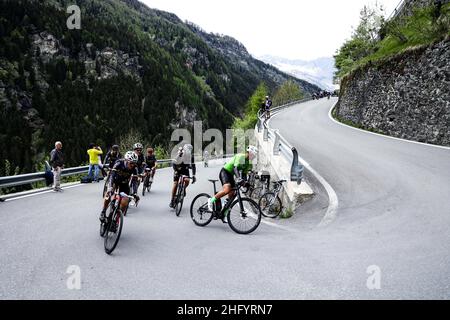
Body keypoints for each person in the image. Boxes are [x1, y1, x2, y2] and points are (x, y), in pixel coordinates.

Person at [207, 146, 258, 222]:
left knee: (232, 195)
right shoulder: (241, 156)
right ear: (249, 152)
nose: (254, 157)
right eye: (253, 155)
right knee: (227, 189)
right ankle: (211, 200)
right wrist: (239, 179)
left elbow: (244, 174)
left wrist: (246, 183)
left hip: (231, 175)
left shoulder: (248, 163)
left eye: (255, 155)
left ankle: (224, 213)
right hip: (225, 172)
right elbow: (235, 168)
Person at [99, 151, 139, 222]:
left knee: (125, 202)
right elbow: (112, 174)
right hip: (115, 181)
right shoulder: (119, 163)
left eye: (134, 163)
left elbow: (135, 181)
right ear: (126, 160)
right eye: (131, 163)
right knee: (108, 194)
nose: (133, 165)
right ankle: (103, 212)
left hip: (124, 184)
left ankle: (116, 219)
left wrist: (135, 193)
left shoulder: (134, 168)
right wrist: (110, 187)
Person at [170, 144, 196, 208]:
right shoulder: (180, 154)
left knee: (187, 180)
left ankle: (183, 188)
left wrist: (193, 175)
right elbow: (173, 162)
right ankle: (172, 199)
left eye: (189, 152)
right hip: (177, 169)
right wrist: (175, 171)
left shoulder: (191, 156)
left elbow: (193, 166)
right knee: (175, 183)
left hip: (185, 169)